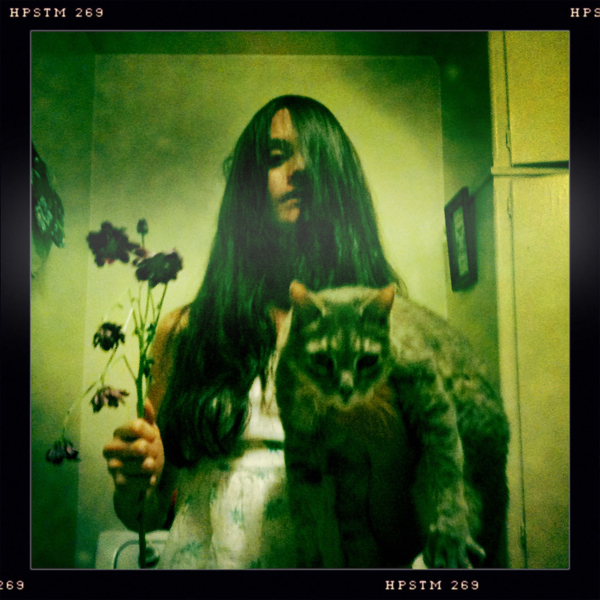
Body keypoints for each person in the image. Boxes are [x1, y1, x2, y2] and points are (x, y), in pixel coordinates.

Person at [103, 95, 404, 568]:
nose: (299, 170)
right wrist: (138, 483)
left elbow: (399, 517)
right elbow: (149, 516)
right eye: (277, 156)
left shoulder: (386, 332)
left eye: (316, 157)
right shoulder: (185, 331)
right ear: (247, 184)